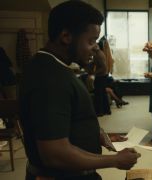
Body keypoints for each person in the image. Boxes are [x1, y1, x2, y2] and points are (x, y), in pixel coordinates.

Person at [19, 1, 140, 179]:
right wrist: (114, 160)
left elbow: (68, 119)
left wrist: (96, 134)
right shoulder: (50, 78)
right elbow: (55, 154)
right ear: (66, 36)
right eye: (91, 41)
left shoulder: (53, 66)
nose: (95, 48)